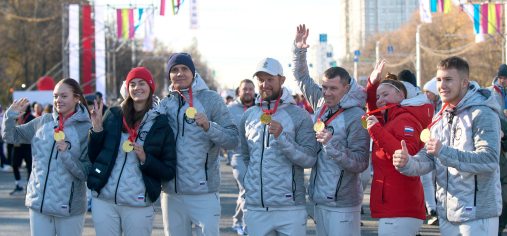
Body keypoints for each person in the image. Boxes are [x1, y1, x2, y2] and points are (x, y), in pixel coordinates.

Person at [394, 56, 502, 236]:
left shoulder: (482, 112)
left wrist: (443, 152)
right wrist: (408, 162)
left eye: (448, 80)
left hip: (477, 216)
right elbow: (429, 157)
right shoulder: (441, 115)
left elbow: (489, 160)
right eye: (438, 80)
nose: (442, 85)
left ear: (464, 82)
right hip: (447, 215)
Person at [292, 24, 370, 235]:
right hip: (319, 199)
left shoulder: (356, 116)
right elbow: (302, 79)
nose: (327, 92)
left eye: (333, 88)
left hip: (343, 203)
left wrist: (331, 145)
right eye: (325, 87)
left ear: (346, 89)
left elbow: (361, 162)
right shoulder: (321, 103)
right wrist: (299, 51)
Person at [87, 67, 177, 236]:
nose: (137, 88)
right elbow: (94, 156)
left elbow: (169, 171)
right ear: (127, 89)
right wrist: (97, 129)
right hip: (104, 200)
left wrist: (145, 158)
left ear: (150, 87)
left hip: (138, 203)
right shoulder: (113, 114)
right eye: (132, 84)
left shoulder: (161, 124)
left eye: (142, 83)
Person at [160, 53, 239, 236]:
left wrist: (210, 127)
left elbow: (233, 140)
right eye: (174, 70)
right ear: (169, 75)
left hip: (204, 192)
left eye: (184, 69)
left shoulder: (211, 99)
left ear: (193, 73)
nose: (180, 73)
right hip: (172, 193)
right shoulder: (165, 104)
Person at [2, 78, 92, 236]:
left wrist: (66, 155)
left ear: (76, 98)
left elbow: (86, 173)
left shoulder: (86, 129)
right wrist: (10, 117)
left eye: (64, 96)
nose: (58, 100)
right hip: (39, 204)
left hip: (69, 207)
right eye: (55, 96)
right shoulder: (42, 122)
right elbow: (11, 137)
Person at [239, 57, 318, 236]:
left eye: (270, 79)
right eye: (261, 79)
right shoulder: (249, 115)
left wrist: (282, 138)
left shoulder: (299, 115)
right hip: (256, 207)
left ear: (282, 80)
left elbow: (310, 158)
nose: (265, 84)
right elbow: (247, 156)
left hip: (289, 207)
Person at [365, 60, 433, 236]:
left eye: (385, 95)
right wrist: (372, 84)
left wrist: (376, 131)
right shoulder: (391, 119)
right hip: (395, 204)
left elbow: (407, 156)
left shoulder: (405, 119)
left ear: (401, 96)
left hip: (401, 205)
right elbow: (373, 107)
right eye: (379, 96)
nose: (381, 100)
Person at [226, 79, 256, 235]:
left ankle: (237, 221)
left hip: (257, 156)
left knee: (246, 191)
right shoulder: (230, 109)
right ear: (239, 91)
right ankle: (246, 227)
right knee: (247, 188)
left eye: (251, 89)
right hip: (237, 155)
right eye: (245, 89)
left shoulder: (261, 108)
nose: (248, 92)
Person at [421, 77, 441, 225]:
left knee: (437, 178)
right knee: (427, 179)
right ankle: (432, 209)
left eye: (428, 92)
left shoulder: (443, 106)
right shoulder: (425, 104)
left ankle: (437, 209)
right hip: (427, 145)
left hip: (441, 147)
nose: (426, 94)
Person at [9, 104, 34, 195]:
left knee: (30, 167)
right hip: (17, 146)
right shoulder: (17, 118)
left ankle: (29, 188)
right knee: (14, 164)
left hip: (28, 147)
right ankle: (18, 185)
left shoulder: (32, 118)